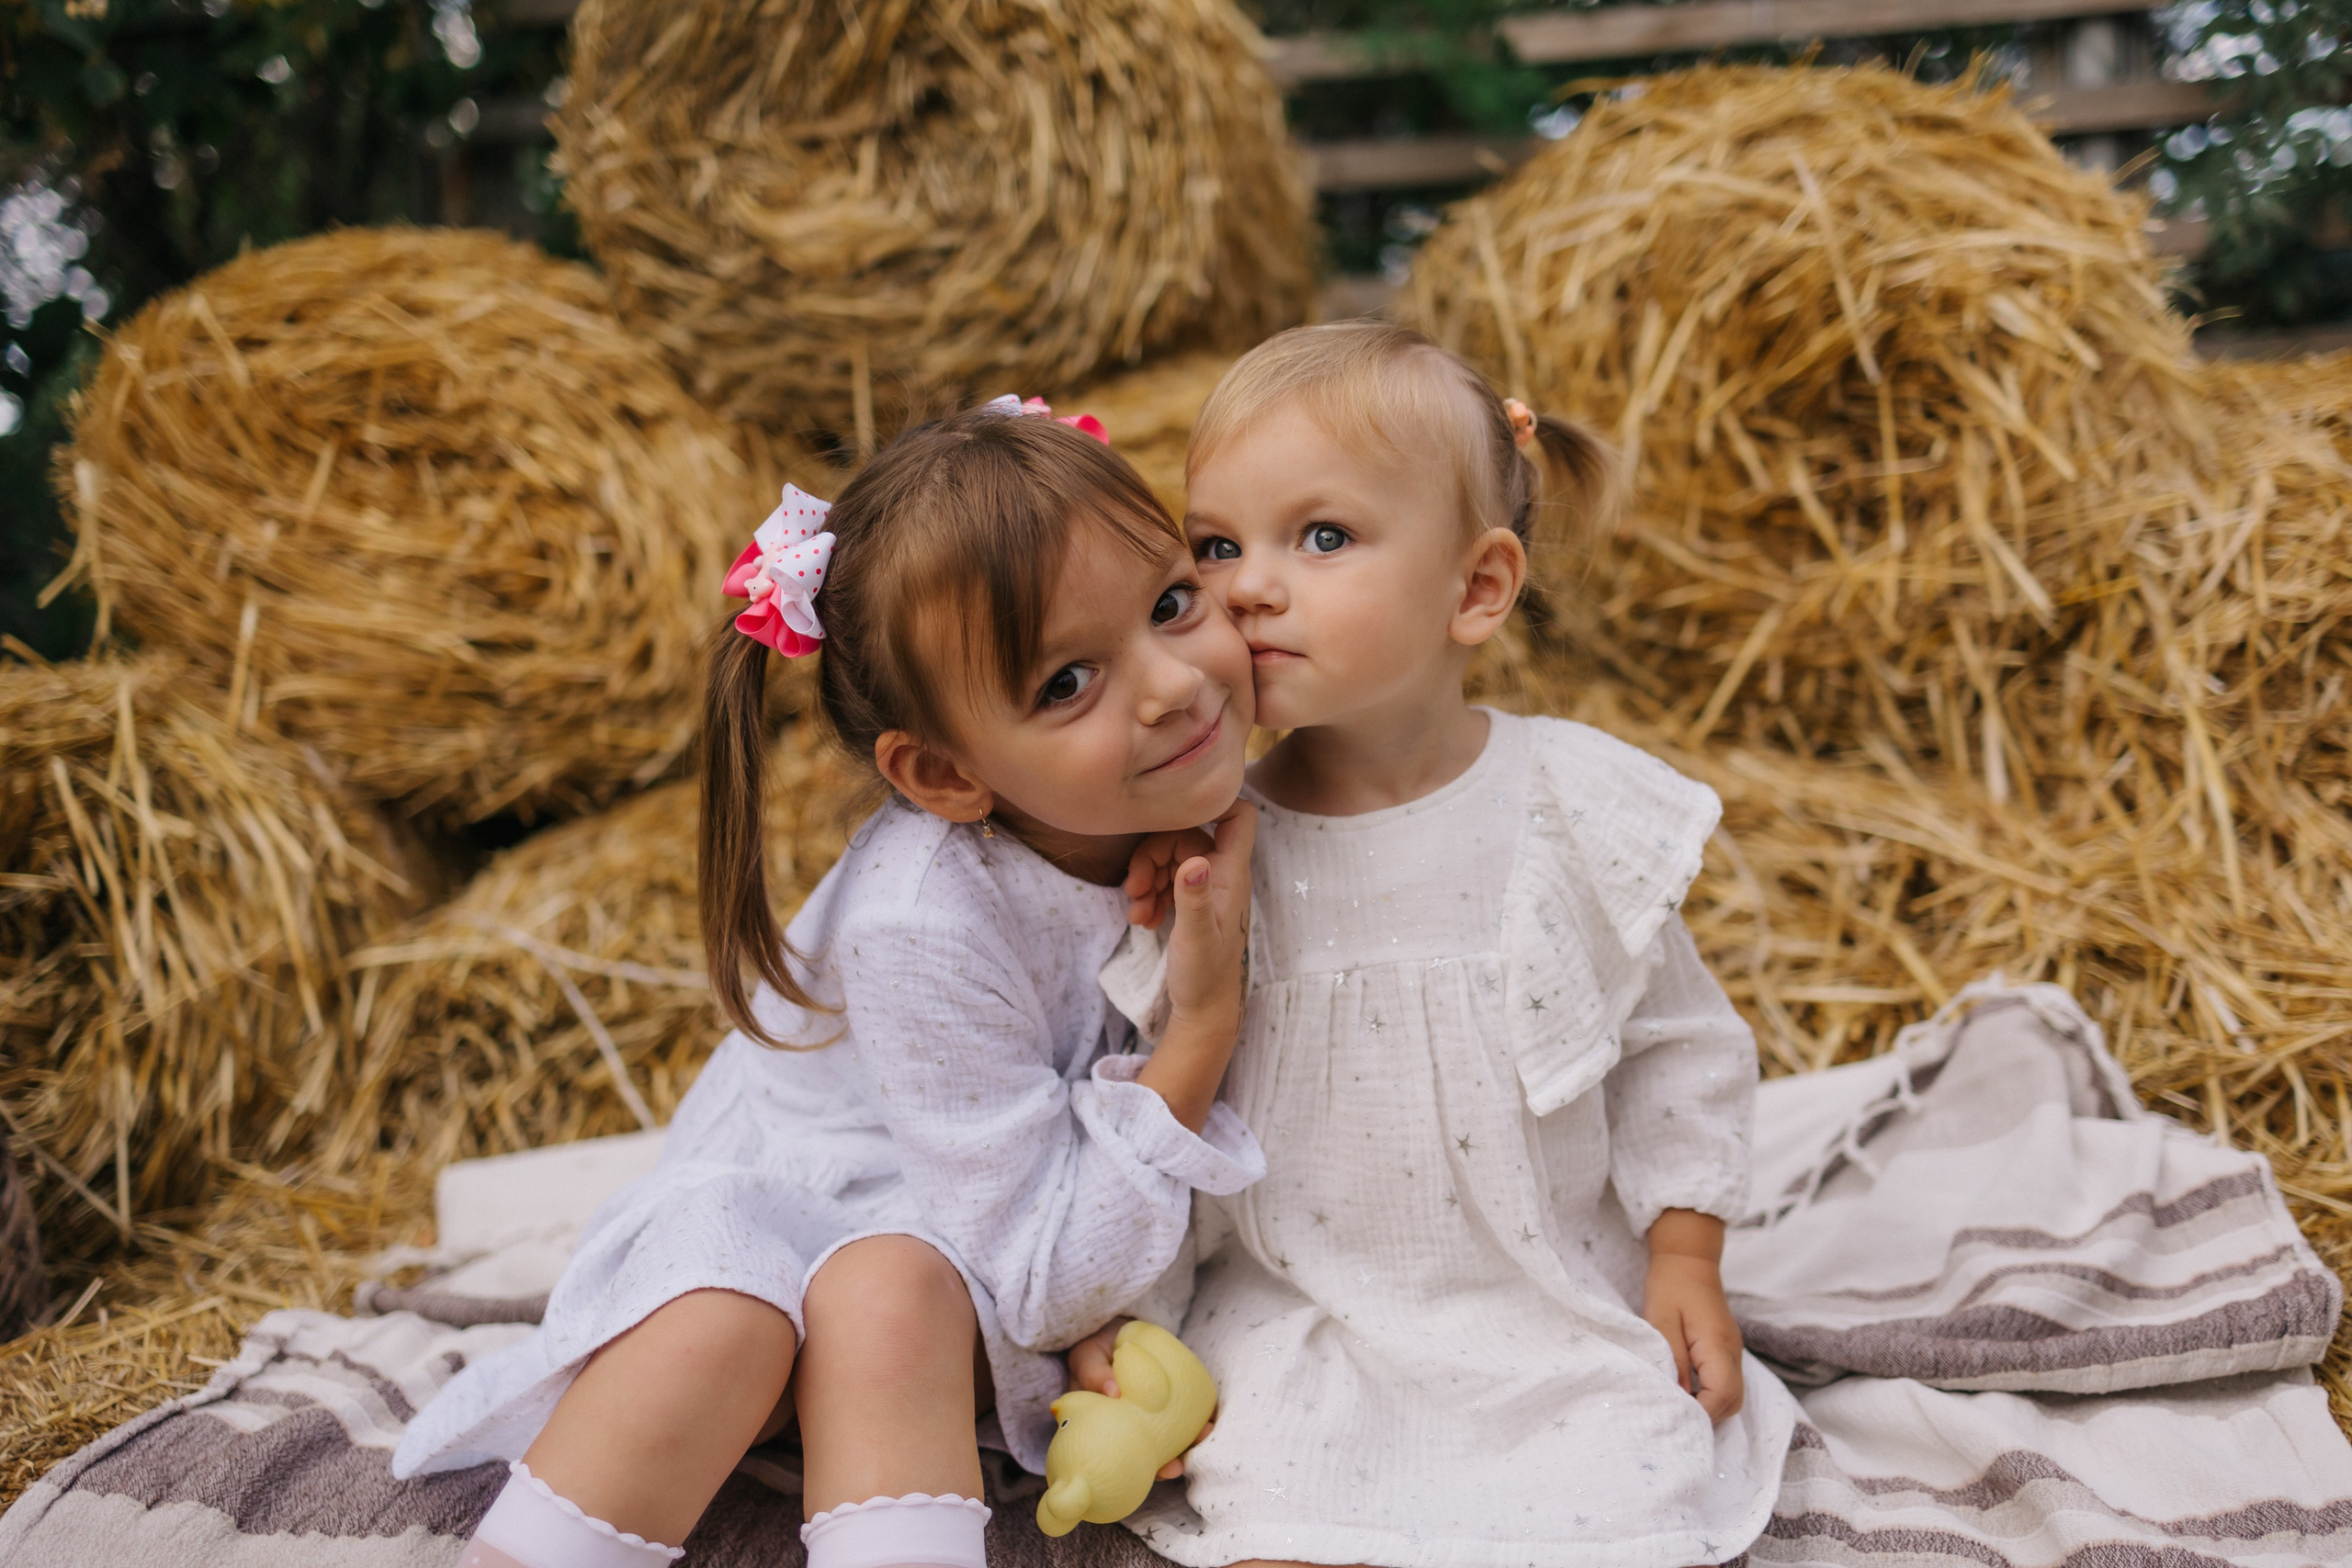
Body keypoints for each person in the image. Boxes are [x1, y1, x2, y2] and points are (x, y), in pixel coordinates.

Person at [391, 399, 1268, 1568]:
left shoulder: (1189, 807)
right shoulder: (920, 915)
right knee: (751, 1317)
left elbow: (1077, 1229)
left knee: (890, 1296)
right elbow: (1047, 1274)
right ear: (946, 775)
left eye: (1170, 602)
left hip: (956, 1272)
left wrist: (1121, 1319)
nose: (1167, 684)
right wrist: (1201, 1022)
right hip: (827, 1238)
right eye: (1066, 682)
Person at [1080, 324, 1798, 1568]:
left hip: (1547, 1300)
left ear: (1476, 587)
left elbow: (1678, 1043)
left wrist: (1685, 1246)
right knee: (1284, 1486)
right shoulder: (1208, 843)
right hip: (1308, 1307)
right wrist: (1128, 1313)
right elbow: (1155, 1096)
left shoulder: (1563, 803)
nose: (1248, 585)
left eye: (1320, 537)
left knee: (1627, 1475)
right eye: (1214, 544)